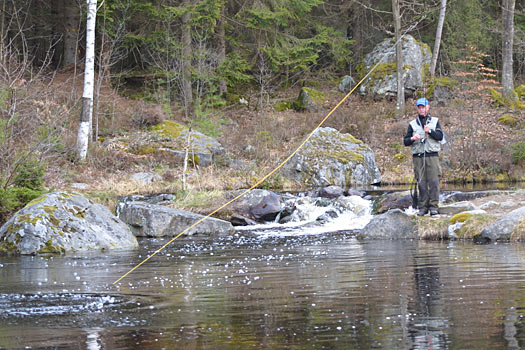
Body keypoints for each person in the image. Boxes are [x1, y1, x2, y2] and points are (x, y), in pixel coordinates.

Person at [404, 98, 444, 216]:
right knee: (421, 182)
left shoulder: (435, 121)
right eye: (419, 107)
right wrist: (412, 138)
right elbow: (405, 141)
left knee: (433, 182)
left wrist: (430, 131)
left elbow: (440, 136)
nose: (421, 109)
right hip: (418, 158)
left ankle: (433, 207)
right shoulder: (412, 124)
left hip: (432, 156)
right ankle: (422, 207)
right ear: (417, 109)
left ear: (428, 107)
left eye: (423, 107)